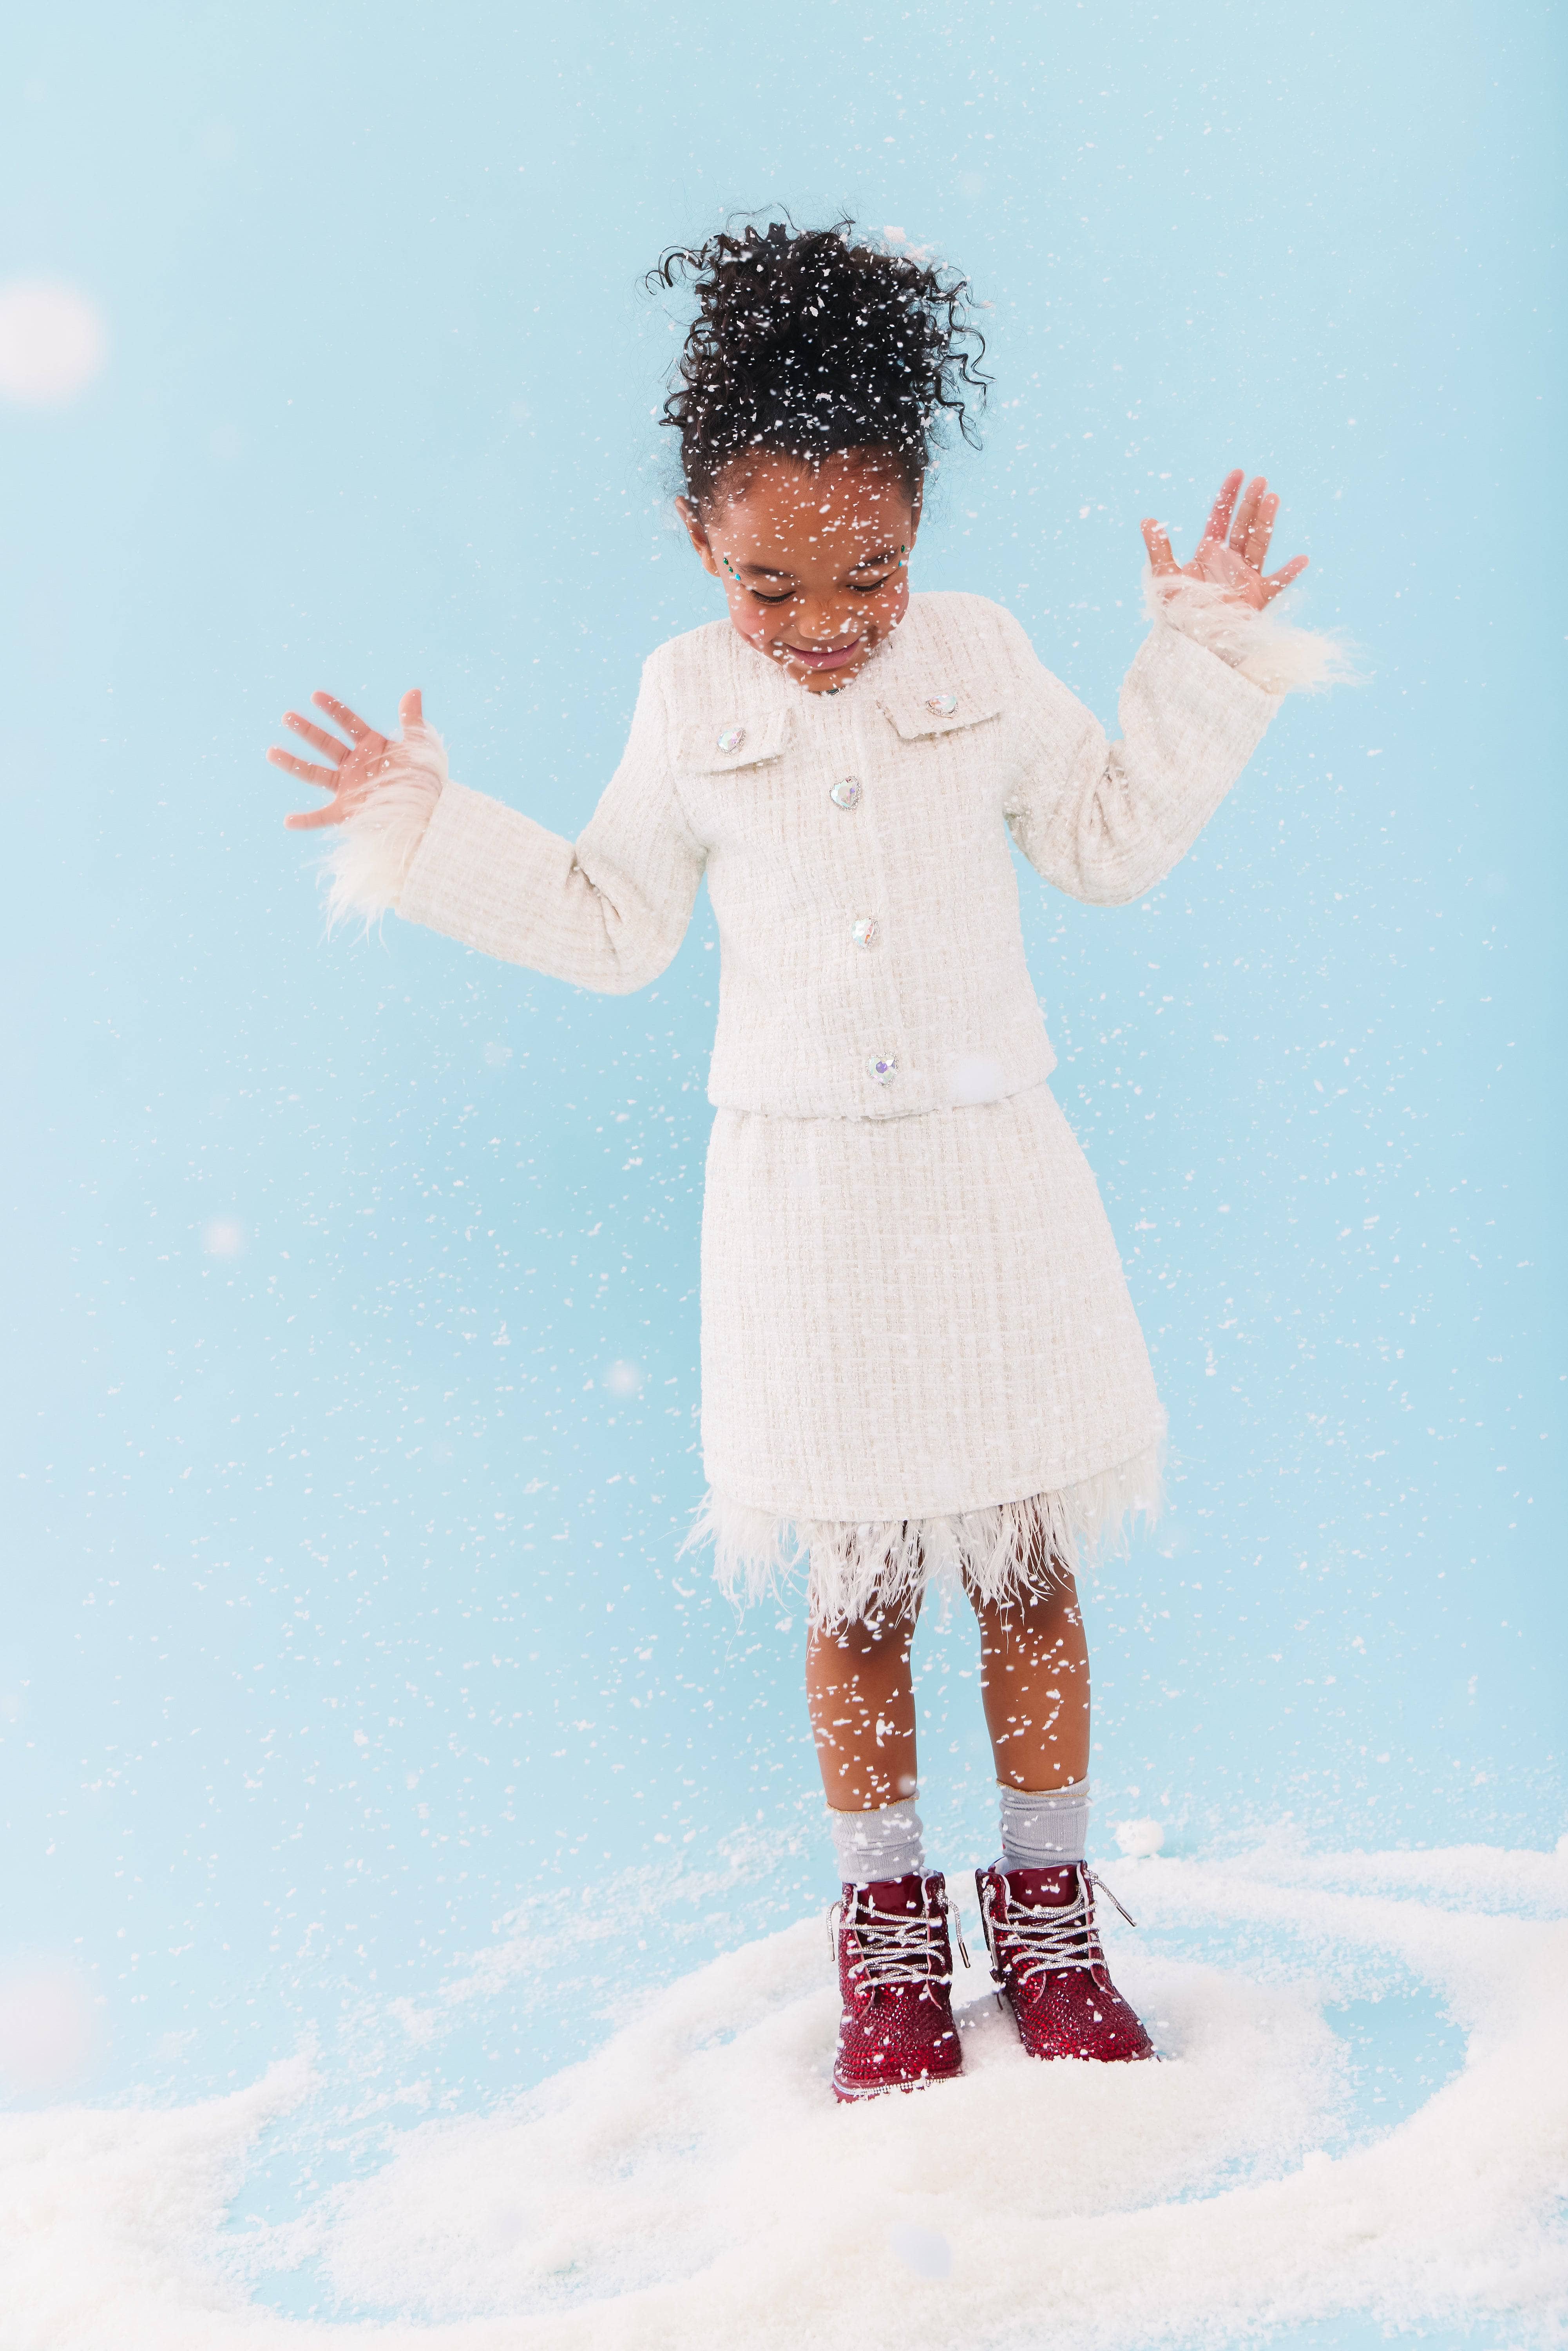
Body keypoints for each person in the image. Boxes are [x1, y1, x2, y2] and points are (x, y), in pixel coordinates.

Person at [266, 219, 1338, 2104]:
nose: (827, 625)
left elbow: (1103, 843)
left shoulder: (988, 660)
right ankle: (891, 1946)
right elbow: (608, 923)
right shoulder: (686, 700)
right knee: (854, 1599)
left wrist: (1204, 664)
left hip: (990, 1179)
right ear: (700, 543)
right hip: (805, 1213)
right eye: (774, 586)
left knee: (1024, 1570)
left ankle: (1049, 1920)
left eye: (870, 576)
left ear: (920, 533)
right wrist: (427, 835)